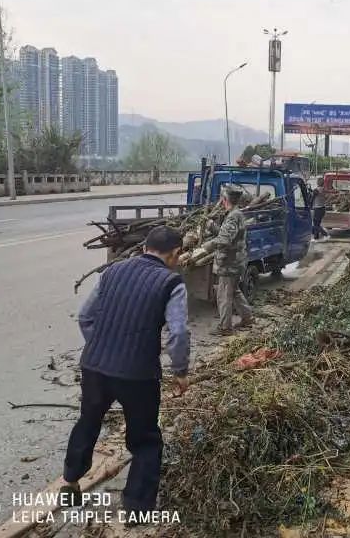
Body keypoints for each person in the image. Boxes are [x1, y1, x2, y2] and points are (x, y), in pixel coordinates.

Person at [60, 226, 190, 518]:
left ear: (145, 248)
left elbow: (85, 316)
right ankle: (137, 508)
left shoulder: (112, 272)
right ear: (174, 254)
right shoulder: (172, 283)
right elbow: (178, 333)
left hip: (95, 367)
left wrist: (102, 347)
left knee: (88, 422)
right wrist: (180, 371)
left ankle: (70, 484)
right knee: (145, 439)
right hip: (138, 375)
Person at [195, 186, 253, 336]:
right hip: (236, 261)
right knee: (234, 292)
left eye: (222, 199)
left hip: (229, 263)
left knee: (224, 295)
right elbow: (226, 232)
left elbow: (225, 239)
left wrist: (205, 247)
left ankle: (225, 327)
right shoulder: (236, 214)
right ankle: (248, 318)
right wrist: (211, 226)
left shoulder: (233, 216)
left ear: (225, 200)